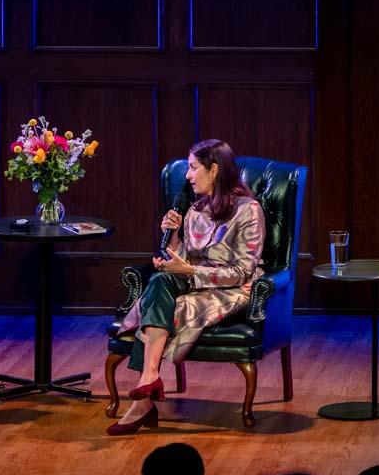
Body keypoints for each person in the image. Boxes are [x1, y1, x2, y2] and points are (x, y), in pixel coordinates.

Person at [110, 139, 265, 435]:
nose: (188, 175)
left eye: (193, 168)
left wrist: (189, 271)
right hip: (195, 281)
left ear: (215, 169)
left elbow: (243, 272)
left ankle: (142, 401)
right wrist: (172, 238)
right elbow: (185, 259)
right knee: (158, 281)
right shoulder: (194, 210)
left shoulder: (249, 211)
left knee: (165, 303)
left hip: (230, 290)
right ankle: (151, 377)